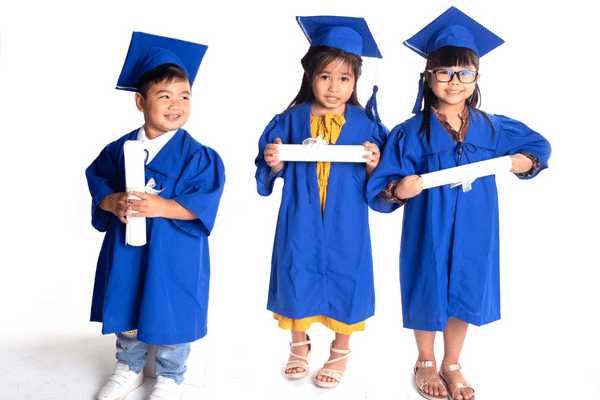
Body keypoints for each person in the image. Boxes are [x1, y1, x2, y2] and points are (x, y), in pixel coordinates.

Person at [366, 7, 551, 400]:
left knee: (465, 284)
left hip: (476, 222)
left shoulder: (492, 127)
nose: (455, 81)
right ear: (428, 77)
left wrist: (523, 162)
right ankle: (426, 360)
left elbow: (538, 145)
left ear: (477, 78)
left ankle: (453, 362)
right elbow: (382, 186)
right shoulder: (409, 132)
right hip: (428, 223)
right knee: (427, 282)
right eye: (445, 73)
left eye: (464, 73)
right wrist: (400, 191)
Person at [85, 32, 225, 400]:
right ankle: (129, 367)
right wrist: (111, 200)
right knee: (126, 300)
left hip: (175, 251)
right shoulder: (119, 149)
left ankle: (170, 375)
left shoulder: (200, 156)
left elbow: (204, 202)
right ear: (140, 101)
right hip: (128, 246)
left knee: (172, 306)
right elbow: (97, 181)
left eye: (184, 96)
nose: (175, 104)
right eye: (164, 96)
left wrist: (160, 207)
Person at [255, 16, 388, 388]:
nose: (334, 86)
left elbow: (385, 176)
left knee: (348, 272)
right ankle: (299, 345)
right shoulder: (291, 118)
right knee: (295, 270)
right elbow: (269, 167)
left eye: (344, 79)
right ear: (310, 76)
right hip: (300, 215)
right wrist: (274, 161)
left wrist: (376, 164)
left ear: (355, 82)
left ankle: (340, 349)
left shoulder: (366, 124)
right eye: (325, 76)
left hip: (347, 218)